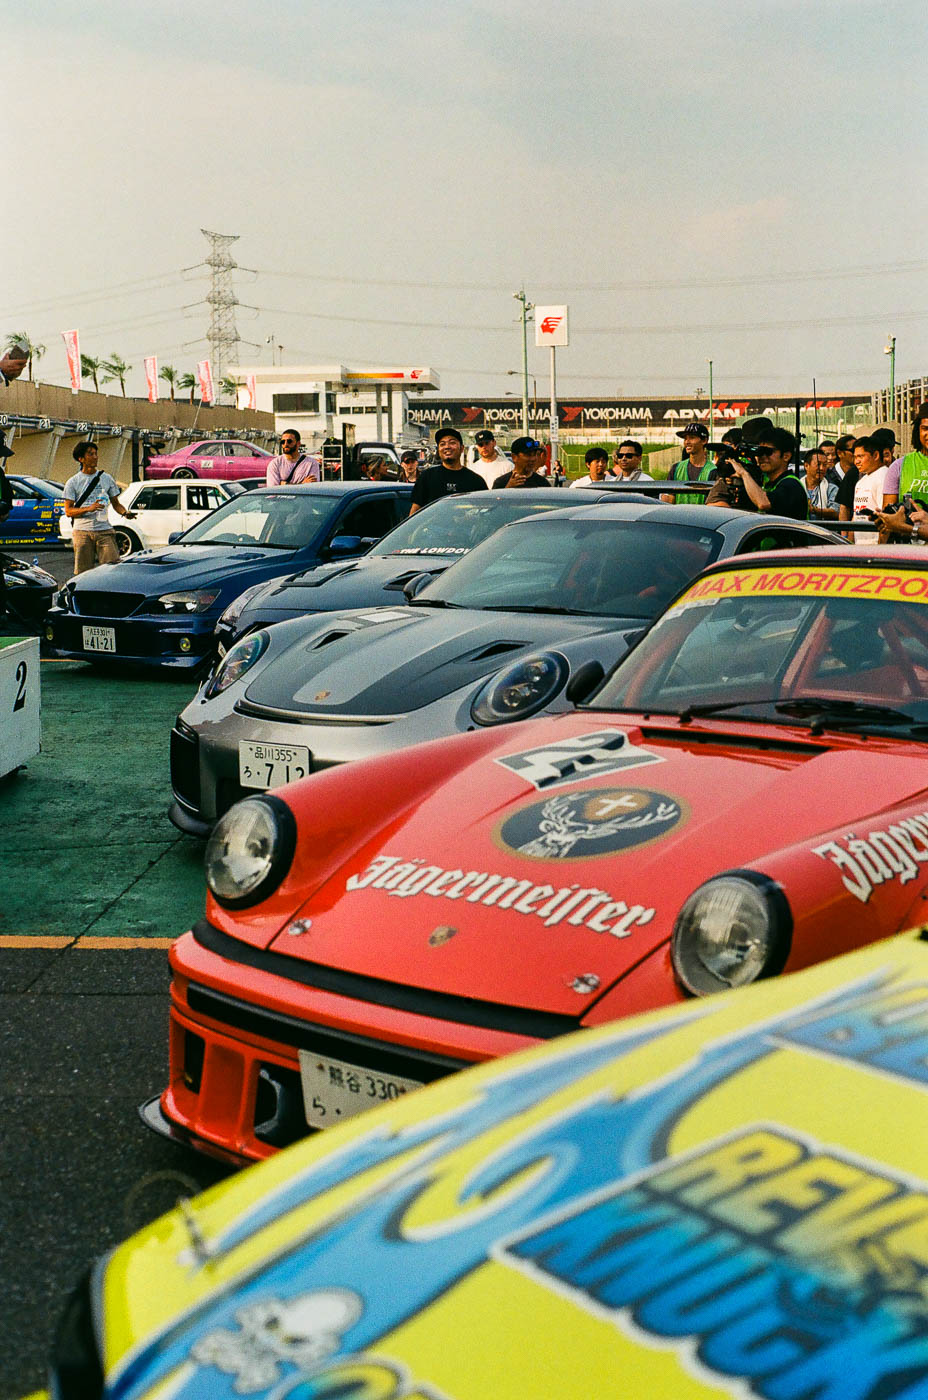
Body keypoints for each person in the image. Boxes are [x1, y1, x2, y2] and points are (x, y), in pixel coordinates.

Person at [63, 441, 137, 574]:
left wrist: (125, 513)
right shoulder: (73, 482)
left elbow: (116, 504)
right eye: (90, 454)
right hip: (82, 531)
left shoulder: (106, 478)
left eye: (96, 454)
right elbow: (69, 511)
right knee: (83, 573)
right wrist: (88, 508)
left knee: (113, 569)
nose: (95, 457)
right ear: (81, 459)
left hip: (104, 530)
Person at [725, 425, 809, 520]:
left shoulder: (791, 485)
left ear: (786, 456)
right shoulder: (769, 484)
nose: (762, 456)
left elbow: (763, 504)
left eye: (768, 452)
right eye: (760, 451)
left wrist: (744, 474)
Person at [408, 427, 488, 514]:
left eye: (452, 443)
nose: (447, 447)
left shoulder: (476, 481)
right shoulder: (427, 477)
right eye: (442, 444)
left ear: (461, 448)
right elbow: (415, 511)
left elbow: (485, 514)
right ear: (438, 450)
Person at [847, 436, 887, 543]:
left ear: (876, 455)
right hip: (859, 545)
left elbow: (885, 519)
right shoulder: (861, 481)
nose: (857, 461)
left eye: (860, 456)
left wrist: (881, 548)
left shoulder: (884, 477)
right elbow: (855, 516)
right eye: (855, 457)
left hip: (874, 546)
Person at [662, 424, 716, 503]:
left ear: (704, 440)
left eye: (692, 438)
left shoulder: (713, 471)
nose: (687, 442)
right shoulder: (676, 468)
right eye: (685, 438)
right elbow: (669, 499)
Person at [802, 449, 840, 520]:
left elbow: (836, 512)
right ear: (806, 466)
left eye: (825, 465)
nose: (822, 468)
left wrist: (813, 510)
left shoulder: (832, 489)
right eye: (818, 464)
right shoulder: (798, 486)